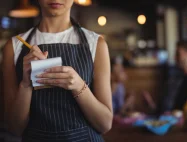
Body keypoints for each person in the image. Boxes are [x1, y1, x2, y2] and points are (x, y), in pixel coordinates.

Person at [3, 0, 112, 141]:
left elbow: (105, 124)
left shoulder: (97, 44)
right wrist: (25, 84)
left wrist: (79, 86)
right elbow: (14, 128)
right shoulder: (13, 46)